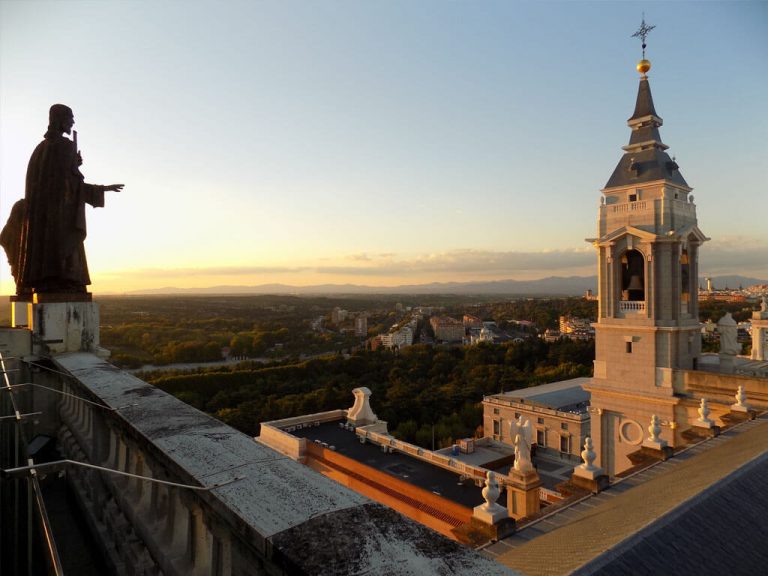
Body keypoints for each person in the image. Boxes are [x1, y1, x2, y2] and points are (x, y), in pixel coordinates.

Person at [0, 104, 123, 295]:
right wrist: (100, 187)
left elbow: (52, 182)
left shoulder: (39, 150)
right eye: (70, 118)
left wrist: (74, 166)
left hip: (42, 220)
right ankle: (64, 281)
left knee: (49, 253)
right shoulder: (65, 146)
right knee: (67, 254)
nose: (72, 122)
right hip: (60, 218)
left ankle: (49, 280)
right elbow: (69, 185)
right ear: (60, 119)